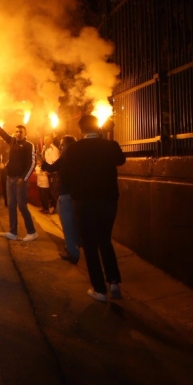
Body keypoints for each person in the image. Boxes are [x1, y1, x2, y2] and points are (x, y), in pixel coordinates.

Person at [49, 115, 127, 302]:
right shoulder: (110, 145)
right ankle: (114, 281)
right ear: (97, 127)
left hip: (84, 201)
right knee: (105, 240)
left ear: (81, 130)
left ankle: (99, 289)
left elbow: (65, 175)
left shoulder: (74, 149)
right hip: (108, 200)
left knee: (90, 244)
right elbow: (121, 160)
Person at [0, 116, 38, 242]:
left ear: (26, 133)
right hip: (10, 178)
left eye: (20, 132)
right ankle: (13, 232)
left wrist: (24, 177)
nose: (18, 133)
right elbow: (1, 131)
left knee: (22, 206)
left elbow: (32, 163)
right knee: (11, 205)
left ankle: (32, 232)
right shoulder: (12, 141)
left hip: (20, 180)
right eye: (16, 131)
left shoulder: (29, 145)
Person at [41, 135, 79, 263]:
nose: (61, 147)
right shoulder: (78, 158)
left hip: (66, 195)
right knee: (74, 224)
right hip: (76, 196)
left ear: (69, 145)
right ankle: (75, 246)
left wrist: (41, 161)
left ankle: (72, 252)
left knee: (67, 225)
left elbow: (50, 168)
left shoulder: (65, 158)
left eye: (63, 144)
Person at [36, 134, 60, 214]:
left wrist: (49, 170)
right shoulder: (45, 148)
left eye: (47, 139)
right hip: (47, 172)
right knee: (48, 191)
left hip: (52, 173)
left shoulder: (54, 149)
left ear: (51, 140)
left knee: (53, 191)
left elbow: (55, 162)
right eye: (45, 139)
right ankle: (47, 207)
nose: (45, 141)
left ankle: (54, 208)